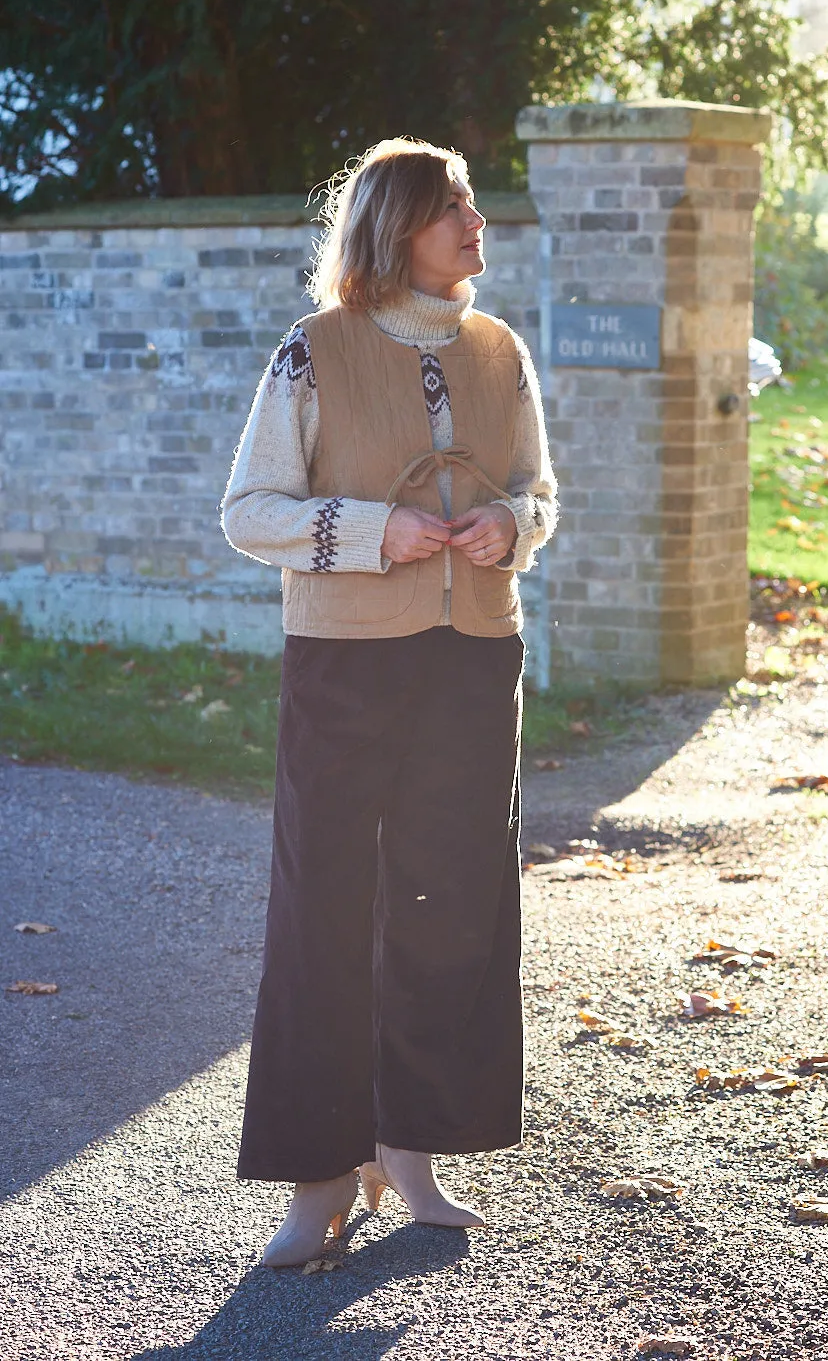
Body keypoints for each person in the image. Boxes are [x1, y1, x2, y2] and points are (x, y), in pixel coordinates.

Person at [221, 137, 558, 1267]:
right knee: (325, 909)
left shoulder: (502, 351)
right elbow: (249, 511)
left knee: (452, 903)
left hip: (476, 657)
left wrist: (511, 525)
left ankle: (409, 1147)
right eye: (451, 209)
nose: (475, 224)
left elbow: (538, 492)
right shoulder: (311, 354)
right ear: (393, 227)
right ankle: (319, 1178)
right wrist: (375, 535)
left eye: (471, 207)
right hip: (347, 663)